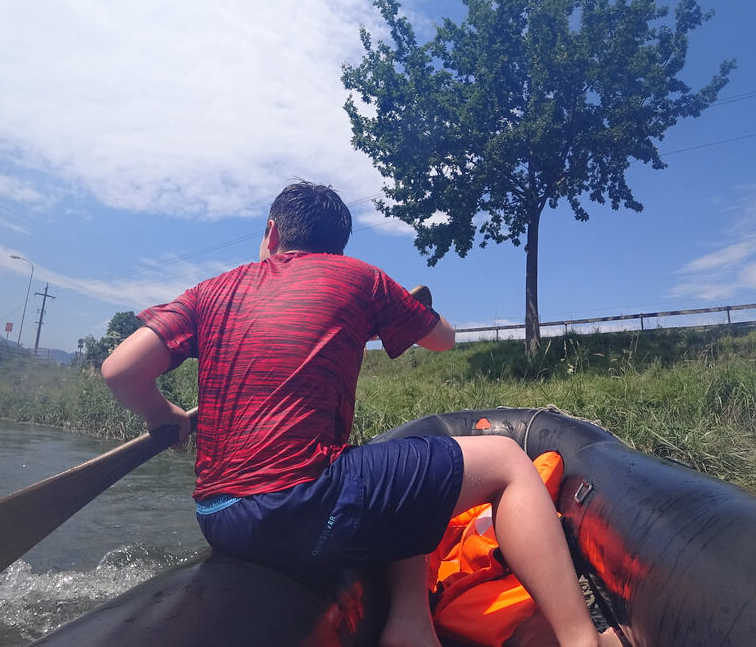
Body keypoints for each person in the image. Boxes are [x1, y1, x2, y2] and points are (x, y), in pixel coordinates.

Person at [102, 180, 619, 647]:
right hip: (300, 507)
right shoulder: (359, 279)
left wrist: (163, 413)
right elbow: (443, 340)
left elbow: (120, 370)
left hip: (218, 518)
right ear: (338, 245)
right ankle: (583, 641)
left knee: (397, 469)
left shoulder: (211, 290)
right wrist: (410, 308)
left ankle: (411, 624)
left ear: (272, 233)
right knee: (507, 460)